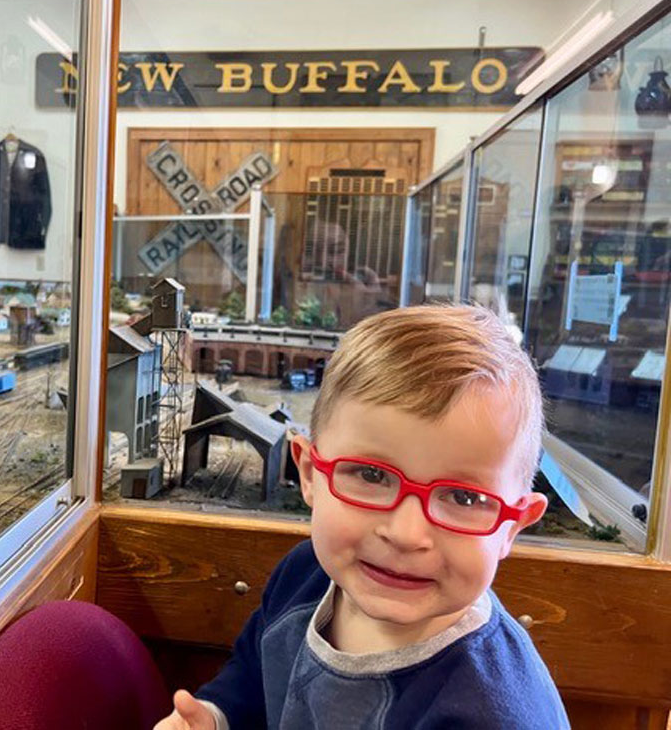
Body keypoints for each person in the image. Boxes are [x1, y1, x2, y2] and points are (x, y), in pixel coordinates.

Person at [155, 305, 569, 730]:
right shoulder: (303, 576)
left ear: (513, 528)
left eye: (464, 498)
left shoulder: (492, 716)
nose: (407, 534)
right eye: (371, 475)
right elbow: (251, 680)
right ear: (311, 475)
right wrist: (214, 717)